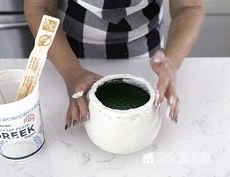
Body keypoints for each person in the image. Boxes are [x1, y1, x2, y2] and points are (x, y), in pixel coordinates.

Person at [24, 0, 204, 129]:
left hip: (147, 55)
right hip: (69, 54)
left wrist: (171, 60)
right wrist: (71, 71)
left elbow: (189, 6)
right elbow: (40, 7)